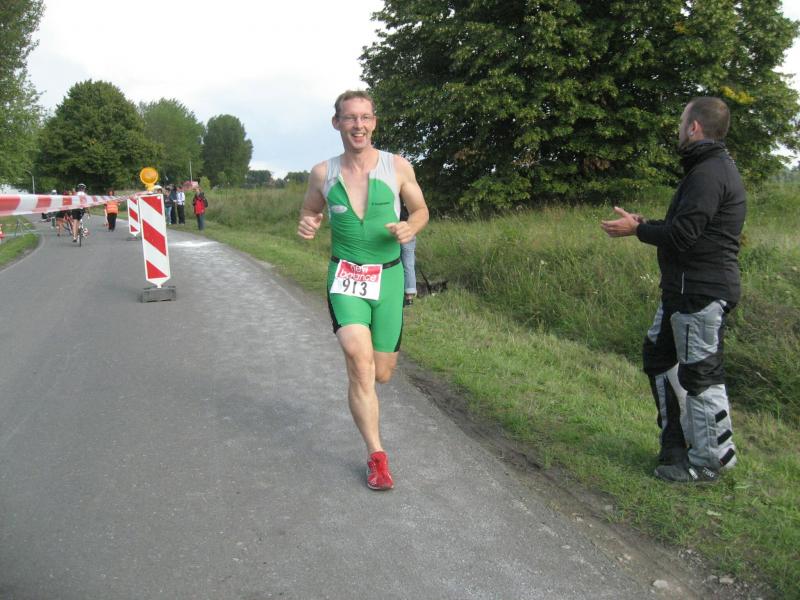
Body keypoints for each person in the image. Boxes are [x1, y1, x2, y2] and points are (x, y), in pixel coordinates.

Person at [601, 97, 745, 484]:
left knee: (700, 374)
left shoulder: (709, 173)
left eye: (682, 122)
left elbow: (683, 236)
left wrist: (637, 230)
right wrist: (645, 224)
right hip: (680, 291)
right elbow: (686, 227)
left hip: (700, 291)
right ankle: (675, 446)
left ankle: (709, 463)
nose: (679, 128)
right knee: (659, 355)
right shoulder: (705, 169)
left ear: (694, 127)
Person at [297, 90, 429, 491]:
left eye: (365, 117)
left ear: (374, 122)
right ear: (336, 123)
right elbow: (310, 209)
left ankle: (367, 379)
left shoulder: (397, 166)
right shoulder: (323, 173)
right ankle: (377, 457)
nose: (358, 125)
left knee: (382, 373)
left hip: (388, 278)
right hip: (346, 278)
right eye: (350, 117)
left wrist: (410, 226)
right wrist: (308, 223)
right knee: (359, 359)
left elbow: (421, 209)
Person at [399, 200, 417, 306]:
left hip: (397, 230)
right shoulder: (410, 199)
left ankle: (397, 292)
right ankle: (409, 297)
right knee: (409, 264)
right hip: (409, 230)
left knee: (395, 263)